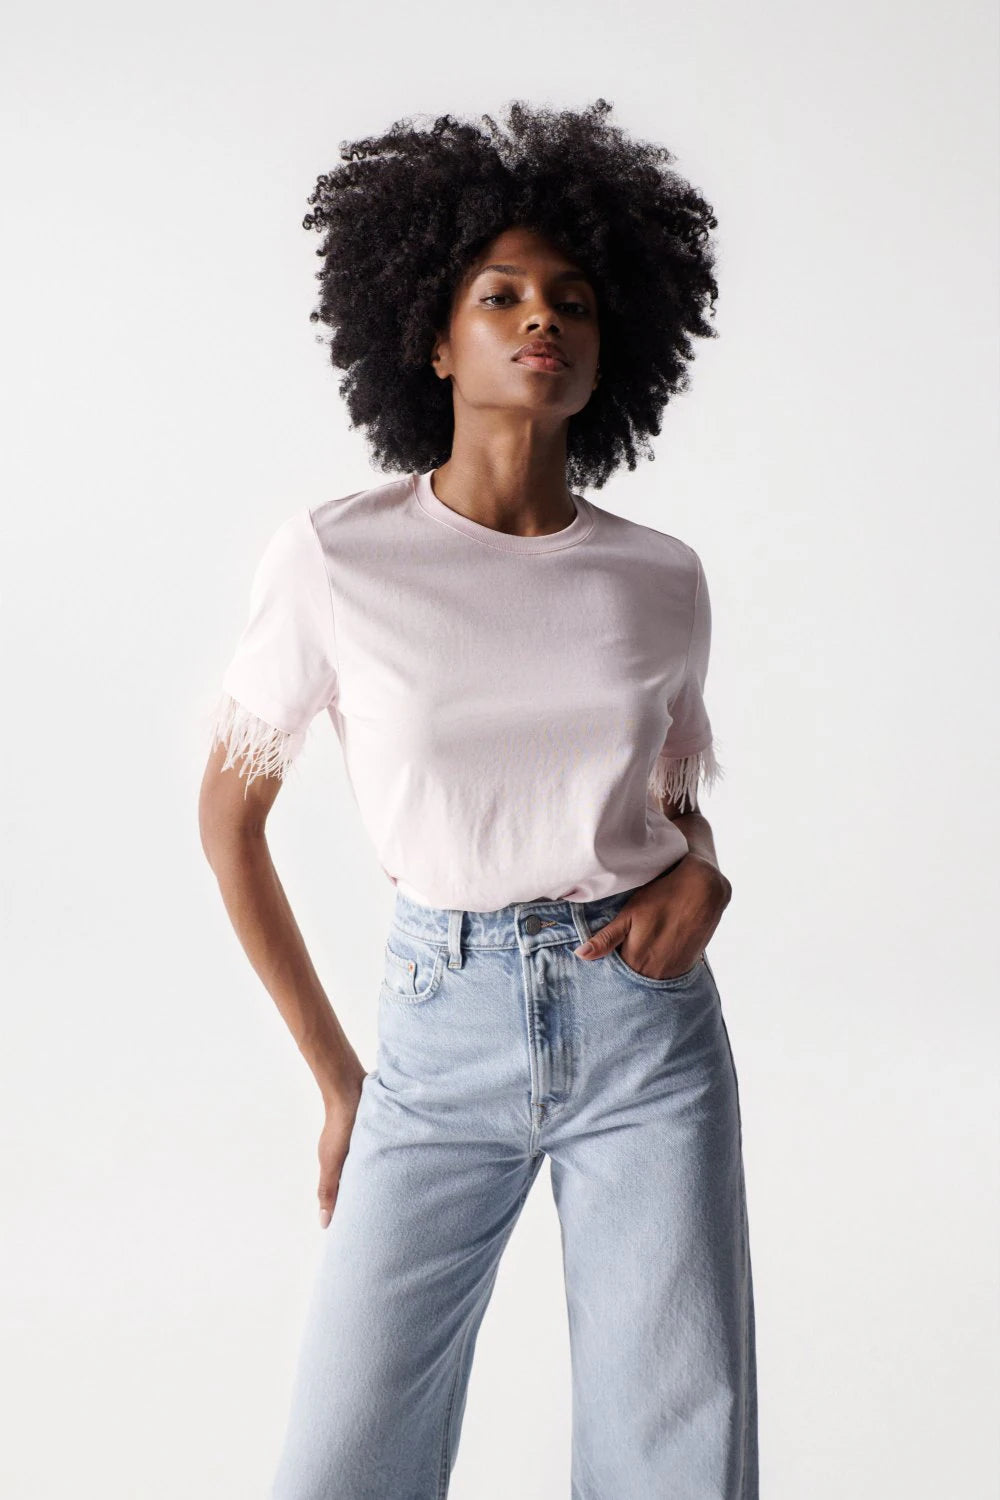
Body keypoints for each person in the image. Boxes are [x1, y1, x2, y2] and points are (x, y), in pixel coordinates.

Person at [199, 97, 758, 1500]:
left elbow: (671, 798)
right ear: (433, 339)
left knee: (674, 1460)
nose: (540, 318)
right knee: (343, 1462)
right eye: (499, 295)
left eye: (571, 299)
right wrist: (339, 1076)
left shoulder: (661, 578)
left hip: (645, 1033)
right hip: (436, 1030)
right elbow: (230, 818)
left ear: (609, 347)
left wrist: (701, 868)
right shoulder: (338, 560)